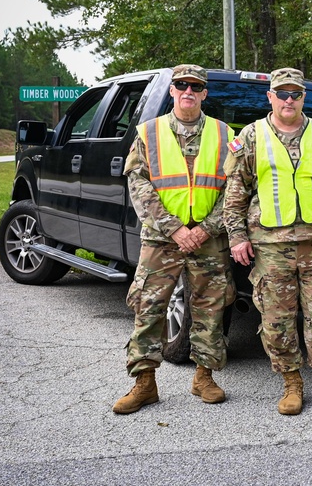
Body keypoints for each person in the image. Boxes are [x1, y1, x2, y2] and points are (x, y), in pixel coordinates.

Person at [222, 68, 312, 415]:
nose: (289, 100)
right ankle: (291, 384)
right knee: (277, 319)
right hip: (270, 246)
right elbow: (234, 194)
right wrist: (236, 236)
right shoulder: (251, 137)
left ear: (304, 97)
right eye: (282, 93)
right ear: (270, 97)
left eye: (295, 93)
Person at [114, 64, 234, 414]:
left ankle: (204, 377)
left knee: (210, 310)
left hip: (208, 239)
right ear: (172, 90)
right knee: (148, 308)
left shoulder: (225, 134)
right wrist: (175, 229)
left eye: (195, 86)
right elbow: (138, 184)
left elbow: (235, 188)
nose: (188, 91)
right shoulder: (148, 133)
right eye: (181, 85)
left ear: (204, 93)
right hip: (161, 239)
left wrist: (205, 229)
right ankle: (144, 384)